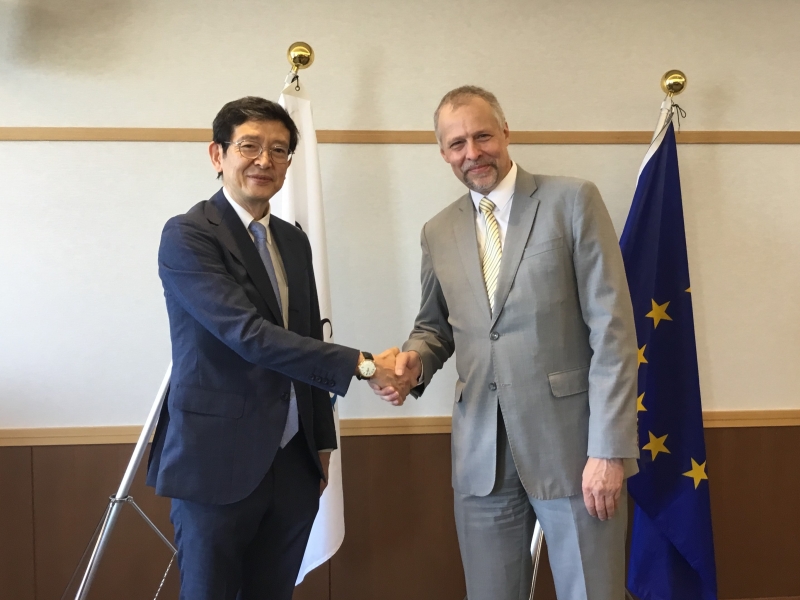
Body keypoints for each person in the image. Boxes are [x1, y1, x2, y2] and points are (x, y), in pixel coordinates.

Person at [372, 86, 640, 600]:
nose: (471, 153)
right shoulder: (438, 231)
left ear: (506, 132)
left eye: (482, 136)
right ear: (442, 152)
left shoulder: (572, 201)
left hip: (574, 450)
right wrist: (413, 364)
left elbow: (613, 332)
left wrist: (607, 450)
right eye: (456, 144)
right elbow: (435, 328)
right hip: (481, 457)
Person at [146, 96, 400, 600]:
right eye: (250, 146)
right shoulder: (189, 235)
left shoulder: (293, 240)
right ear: (218, 155)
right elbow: (247, 335)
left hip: (294, 464)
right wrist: (366, 365)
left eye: (279, 150)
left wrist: (321, 443)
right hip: (214, 462)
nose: (265, 160)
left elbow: (308, 340)